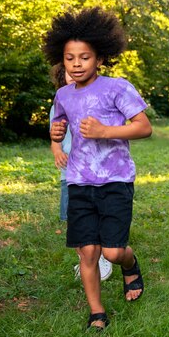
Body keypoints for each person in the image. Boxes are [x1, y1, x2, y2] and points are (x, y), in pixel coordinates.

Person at [43, 7, 152, 330]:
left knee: (113, 251)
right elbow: (60, 120)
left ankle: (130, 265)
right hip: (78, 180)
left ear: (100, 59)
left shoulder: (117, 88)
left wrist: (106, 131)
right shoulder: (62, 94)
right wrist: (56, 133)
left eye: (84, 57)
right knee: (87, 251)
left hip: (115, 179)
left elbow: (143, 127)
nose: (76, 64)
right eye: (70, 58)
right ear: (61, 60)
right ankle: (97, 312)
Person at [48, 64, 113, 282]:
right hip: (70, 175)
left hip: (95, 172)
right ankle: (85, 259)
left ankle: (101, 256)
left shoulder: (95, 100)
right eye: (68, 69)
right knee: (74, 220)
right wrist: (57, 150)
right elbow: (54, 136)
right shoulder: (60, 103)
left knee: (100, 216)